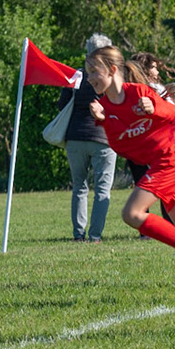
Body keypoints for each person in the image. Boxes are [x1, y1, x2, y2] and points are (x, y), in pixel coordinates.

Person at [84, 45, 175, 282]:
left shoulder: (140, 93)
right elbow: (122, 148)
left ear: (112, 70)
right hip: (160, 165)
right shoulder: (104, 108)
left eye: (93, 72)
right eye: (87, 73)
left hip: (170, 161)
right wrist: (105, 120)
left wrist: (154, 108)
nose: (89, 79)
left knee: (131, 213)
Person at [59, 32, 117, 241]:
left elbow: (62, 105)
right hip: (104, 137)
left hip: (75, 136)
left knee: (79, 187)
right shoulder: (111, 76)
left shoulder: (76, 75)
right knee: (102, 189)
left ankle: (78, 234)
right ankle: (95, 235)